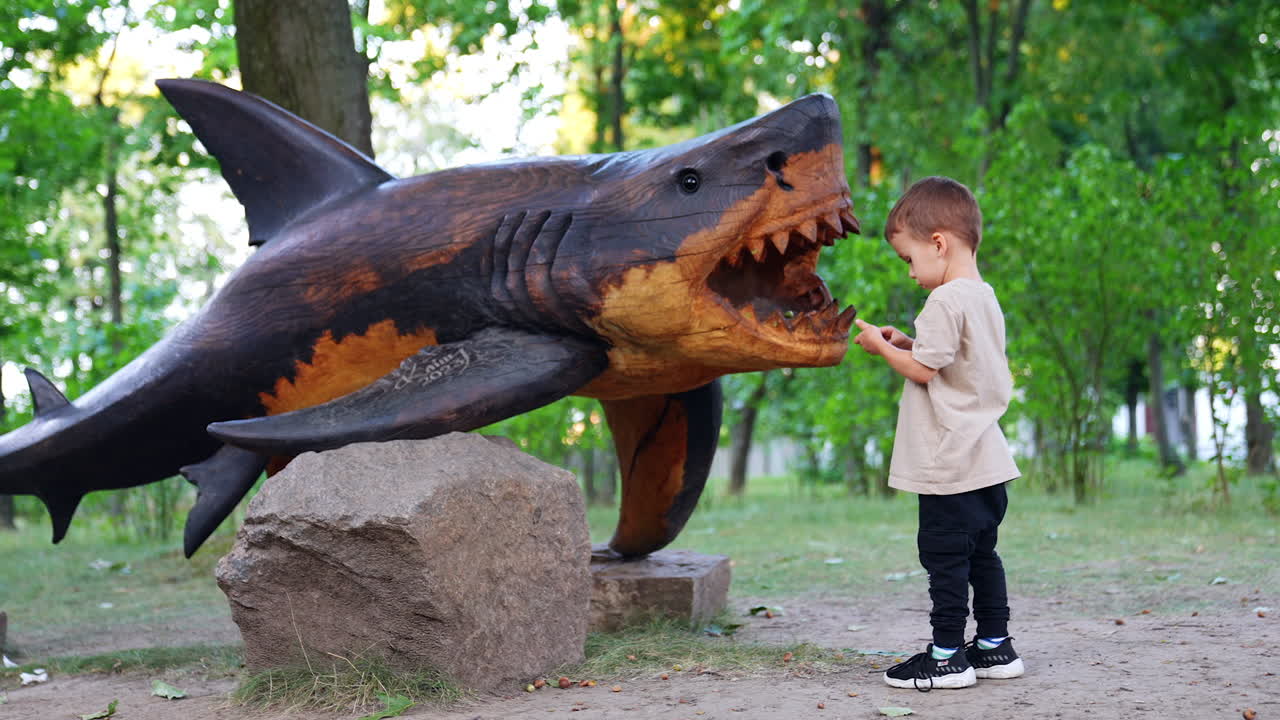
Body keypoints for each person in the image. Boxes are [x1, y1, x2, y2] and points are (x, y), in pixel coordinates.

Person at [851, 176, 1024, 691]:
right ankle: (995, 645)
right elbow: (953, 360)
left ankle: (947, 655)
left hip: (949, 464)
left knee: (944, 558)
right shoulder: (982, 296)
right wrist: (906, 339)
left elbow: (925, 371)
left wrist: (884, 349)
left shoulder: (945, 301)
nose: (910, 273)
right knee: (981, 555)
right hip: (986, 464)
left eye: (909, 258)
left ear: (939, 243)